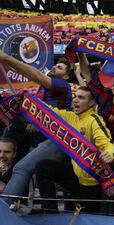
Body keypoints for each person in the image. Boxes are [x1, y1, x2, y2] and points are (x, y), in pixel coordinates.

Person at [0, 50, 74, 205]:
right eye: (55, 65)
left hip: (58, 141)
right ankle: (24, 206)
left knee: (21, 168)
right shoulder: (41, 91)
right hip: (38, 141)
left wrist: (5, 57)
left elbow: (35, 75)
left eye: (59, 68)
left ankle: (3, 208)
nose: (54, 68)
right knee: (22, 166)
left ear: (66, 76)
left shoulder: (62, 85)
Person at [34, 87, 114, 213]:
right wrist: (30, 99)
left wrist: (109, 153)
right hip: (75, 177)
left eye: (81, 98)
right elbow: (48, 111)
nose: (75, 100)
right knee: (43, 166)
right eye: (75, 97)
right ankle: (50, 213)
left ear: (91, 103)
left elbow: (107, 143)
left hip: (92, 185)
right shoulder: (70, 116)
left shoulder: (94, 120)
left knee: (88, 217)